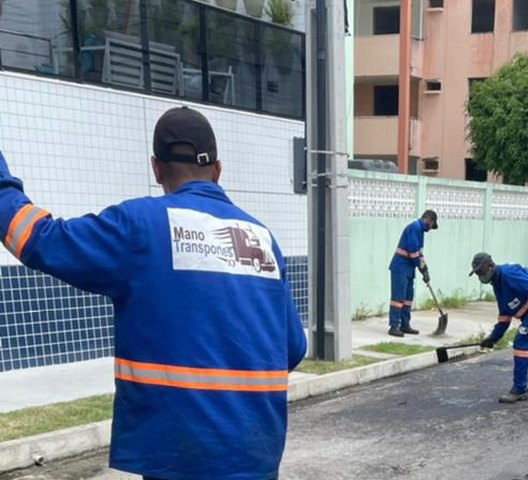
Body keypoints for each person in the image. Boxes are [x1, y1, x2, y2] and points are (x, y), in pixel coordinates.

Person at [0, 106, 307, 480]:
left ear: (157, 168)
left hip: (179, 459)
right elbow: (293, 348)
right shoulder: (262, 239)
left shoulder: (139, 227)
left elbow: (36, 239)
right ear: (218, 170)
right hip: (255, 457)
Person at [470, 253, 528, 403]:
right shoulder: (497, 283)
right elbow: (505, 316)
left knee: (522, 343)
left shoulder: (508, 275)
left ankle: (519, 389)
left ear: (490, 267)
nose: (480, 276)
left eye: (481, 271)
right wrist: (493, 337)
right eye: (477, 273)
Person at [387, 209, 438, 337]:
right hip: (400, 268)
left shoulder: (420, 232)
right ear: (428, 219)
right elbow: (413, 252)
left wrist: (425, 269)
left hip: (409, 269)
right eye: (432, 225)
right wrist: (421, 268)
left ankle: (405, 325)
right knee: (398, 298)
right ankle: (394, 326)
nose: (431, 228)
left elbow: (419, 253)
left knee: (408, 298)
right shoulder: (414, 228)